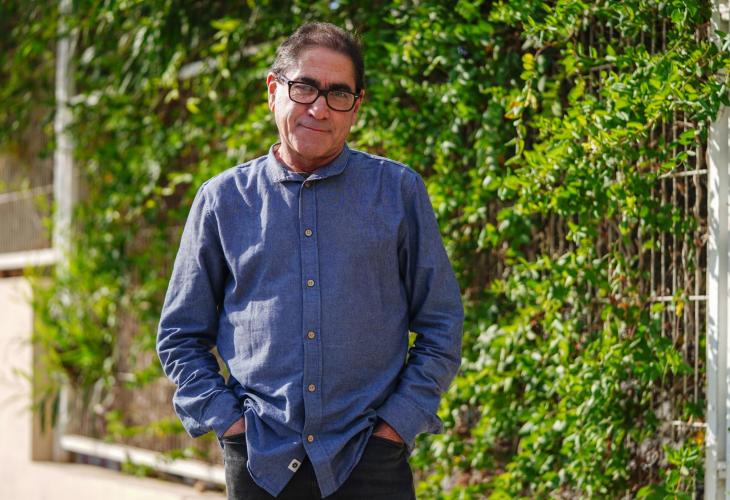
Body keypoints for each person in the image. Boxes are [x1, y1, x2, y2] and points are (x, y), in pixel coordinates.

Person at [157, 22, 464, 500]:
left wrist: (396, 428)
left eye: (338, 93)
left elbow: (441, 323)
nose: (319, 108)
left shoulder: (398, 193)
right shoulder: (223, 201)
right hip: (261, 461)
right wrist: (229, 425)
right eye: (304, 88)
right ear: (273, 91)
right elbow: (180, 334)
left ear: (356, 106)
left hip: (370, 460)